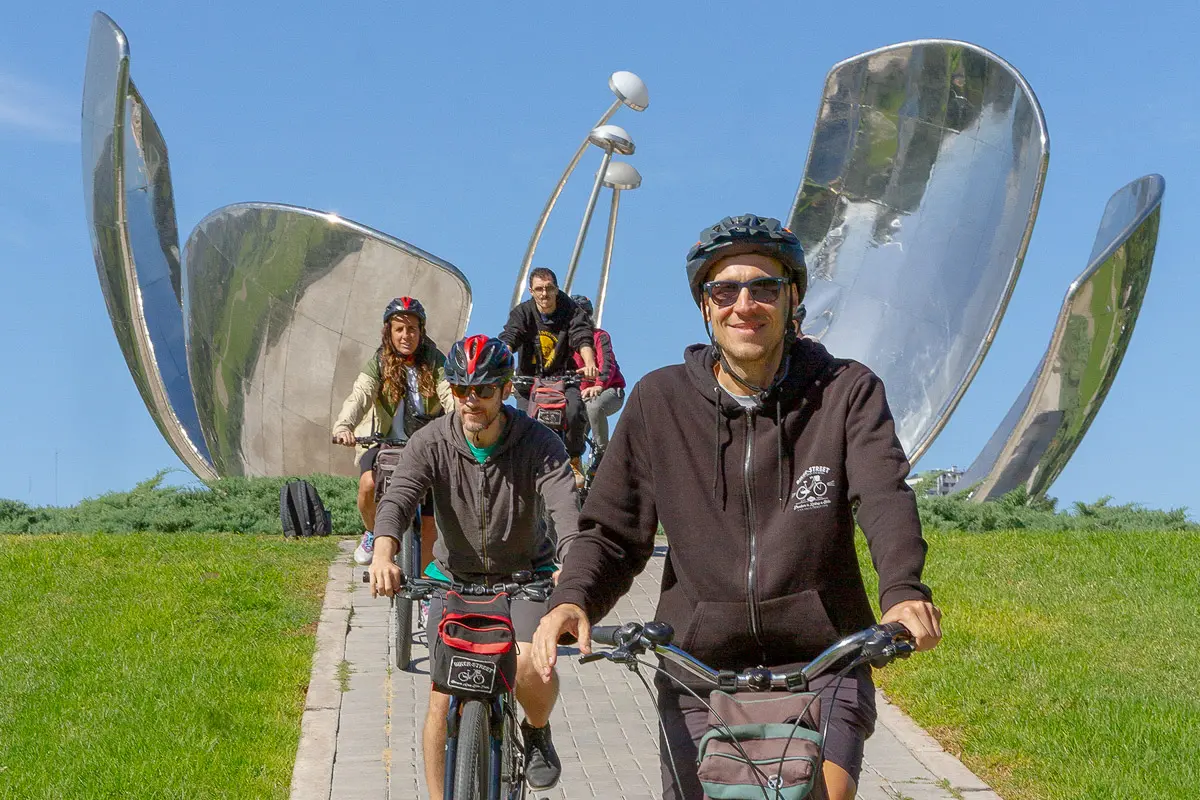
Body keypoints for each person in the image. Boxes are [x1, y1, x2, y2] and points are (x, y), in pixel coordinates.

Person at [531, 215, 943, 800]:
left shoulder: (846, 392)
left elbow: (883, 495)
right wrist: (573, 599)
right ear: (705, 305)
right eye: (725, 291)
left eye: (764, 288)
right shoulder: (660, 401)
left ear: (792, 298)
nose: (744, 304)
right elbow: (615, 531)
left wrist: (902, 591)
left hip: (824, 662)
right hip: (699, 668)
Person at [369, 335, 581, 796]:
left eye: (483, 390)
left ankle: (538, 733)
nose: (472, 401)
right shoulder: (432, 441)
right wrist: (383, 552)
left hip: (525, 579)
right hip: (454, 580)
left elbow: (565, 508)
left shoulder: (538, 443)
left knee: (529, 665)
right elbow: (398, 499)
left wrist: (573, 563)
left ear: (505, 390)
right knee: (440, 701)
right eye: (462, 390)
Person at [331, 297, 452, 566]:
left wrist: (460, 423)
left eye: (412, 329)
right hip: (381, 441)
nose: (406, 335)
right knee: (368, 485)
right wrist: (344, 426)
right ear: (389, 331)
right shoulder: (379, 361)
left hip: (426, 445)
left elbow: (449, 395)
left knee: (431, 521)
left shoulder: (435, 362)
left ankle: (424, 594)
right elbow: (360, 395)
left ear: (421, 331)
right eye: (399, 329)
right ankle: (374, 532)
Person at [499, 267, 597, 482]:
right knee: (520, 425)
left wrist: (589, 363)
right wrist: (501, 357)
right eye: (539, 289)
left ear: (557, 289)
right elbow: (510, 337)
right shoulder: (522, 312)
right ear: (531, 291)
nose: (545, 294)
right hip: (529, 381)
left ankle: (573, 459)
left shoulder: (570, 309)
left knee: (575, 411)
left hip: (563, 377)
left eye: (549, 289)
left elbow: (582, 337)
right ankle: (522, 468)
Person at [569, 295, 626, 450]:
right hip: (579, 398)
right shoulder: (565, 343)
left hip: (609, 391)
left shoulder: (599, 336)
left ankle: (602, 454)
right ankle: (572, 463)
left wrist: (599, 385)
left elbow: (607, 363)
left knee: (593, 407)